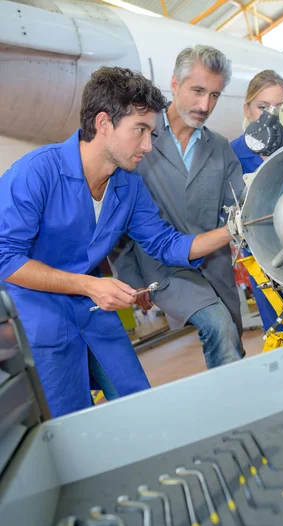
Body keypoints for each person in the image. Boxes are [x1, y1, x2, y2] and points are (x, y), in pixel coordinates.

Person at [0, 67, 234, 418]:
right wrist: (89, 285)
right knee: (69, 424)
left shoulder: (128, 184)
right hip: (38, 313)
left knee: (139, 406)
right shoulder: (35, 172)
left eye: (151, 133)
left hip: (93, 311)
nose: (147, 145)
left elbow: (165, 244)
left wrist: (234, 228)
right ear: (104, 123)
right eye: (140, 130)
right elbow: (5, 258)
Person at [117, 46, 245, 370]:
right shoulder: (141, 139)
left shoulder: (220, 148)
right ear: (174, 85)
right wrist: (131, 279)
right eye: (198, 91)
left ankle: (238, 405)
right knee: (218, 325)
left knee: (233, 344)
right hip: (164, 269)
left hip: (214, 266)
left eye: (215, 95)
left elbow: (240, 208)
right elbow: (118, 220)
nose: (205, 105)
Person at [231, 70, 283, 330]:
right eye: (262, 106)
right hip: (261, 251)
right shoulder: (233, 152)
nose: (271, 113)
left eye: (280, 106)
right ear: (247, 110)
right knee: (279, 323)